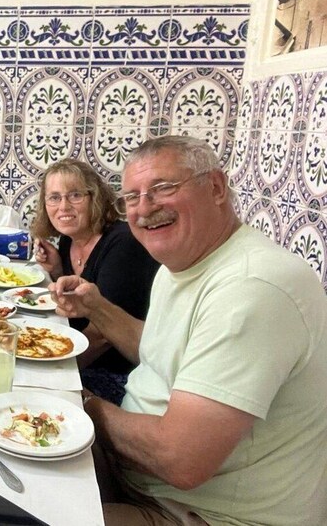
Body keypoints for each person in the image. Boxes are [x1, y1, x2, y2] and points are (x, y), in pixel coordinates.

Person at [51, 136, 327, 525]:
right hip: (142, 479)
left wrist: (83, 405)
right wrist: (96, 305)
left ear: (215, 187)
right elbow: (160, 350)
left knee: (25, 516)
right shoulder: (183, 263)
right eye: (131, 197)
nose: (145, 208)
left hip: (200, 513)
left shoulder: (254, 287)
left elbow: (180, 460)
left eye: (163, 188)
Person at [31, 158, 159, 404]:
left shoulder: (122, 245)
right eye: (54, 197)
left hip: (120, 374)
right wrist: (57, 269)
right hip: (88, 358)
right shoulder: (70, 239)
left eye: (75, 195)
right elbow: (79, 304)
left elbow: (102, 333)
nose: (64, 206)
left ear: (95, 198)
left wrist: (53, 371)